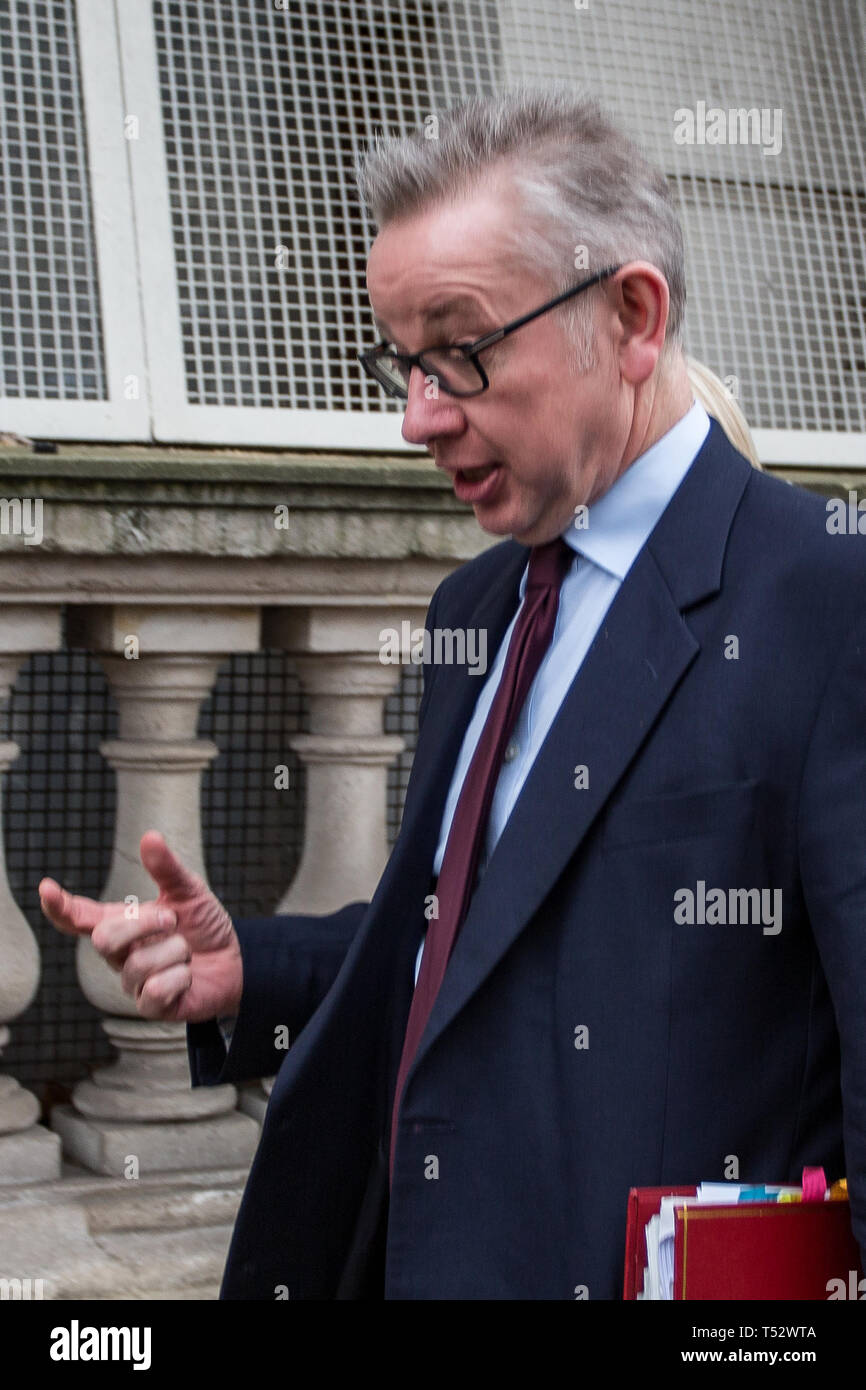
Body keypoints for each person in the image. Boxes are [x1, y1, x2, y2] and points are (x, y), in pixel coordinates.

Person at [39, 86, 866, 1300]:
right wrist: (246, 971)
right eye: (403, 362)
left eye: (462, 352)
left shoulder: (825, 602)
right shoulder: (473, 611)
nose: (417, 417)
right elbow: (479, 948)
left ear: (630, 317)